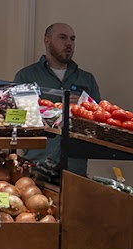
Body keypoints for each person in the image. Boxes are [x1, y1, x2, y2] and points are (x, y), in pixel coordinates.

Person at [15, 22, 100, 174]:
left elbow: (100, 120)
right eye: (62, 37)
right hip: (36, 164)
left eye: (72, 39)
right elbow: (17, 119)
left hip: (74, 167)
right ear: (47, 41)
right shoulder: (26, 76)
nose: (69, 43)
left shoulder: (87, 79)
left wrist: (84, 105)